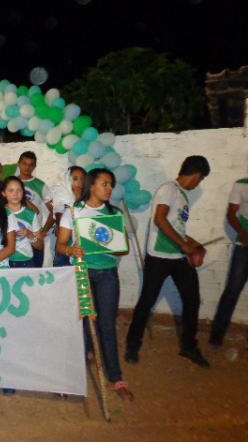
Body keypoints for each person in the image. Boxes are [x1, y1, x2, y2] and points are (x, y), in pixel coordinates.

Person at [126, 155, 211, 368]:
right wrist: (184, 245)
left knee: (192, 300)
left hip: (178, 258)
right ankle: (132, 345)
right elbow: (160, 219)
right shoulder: (168, 189)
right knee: (147, 302)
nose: (198, 184)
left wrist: (194, 244)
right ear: (196, 175)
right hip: (159, 257)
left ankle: (189, 346)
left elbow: (178, 229)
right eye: (200, 179)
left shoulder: (182, 195)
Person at [57, 168, 133, 399]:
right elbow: (60, 245)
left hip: (108, 274)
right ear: (92, 186)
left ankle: (116, 377)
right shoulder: (73, 212)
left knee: (106, 325)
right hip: (81, 273)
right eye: (105, 184)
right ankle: (72, 376)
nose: (109, 189)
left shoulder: (114, 214)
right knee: (79, 324)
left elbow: (124, 249)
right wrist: (71, 248)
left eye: (111, 184)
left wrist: (110, 243)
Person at [210, 177, 248, 347]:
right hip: (244, 246)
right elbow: (231, 213)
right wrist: (242, 233)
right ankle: (217, 334)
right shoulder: (241, 184)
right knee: (232, 290)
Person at [17, 151, 54, 267]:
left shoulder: (40, 185)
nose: (27, 167)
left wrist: (44, 231)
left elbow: (54, 210)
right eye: (24, 163)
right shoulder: (10, 183)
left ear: (35, 166)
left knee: (36, 271)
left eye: (31, 164)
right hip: (14, 233)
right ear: (18, 164)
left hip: (34, 233)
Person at [3, 176, 43, 268]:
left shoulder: (31, 214)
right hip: (2, 262)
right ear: (3, 193)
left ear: (23, 192)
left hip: (26, 263)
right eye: (11, 190)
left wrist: (29, 234)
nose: (15, 194)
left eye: (19, 190)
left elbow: (40, 246)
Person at [53, 166, 86, 267]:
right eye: (75, 179)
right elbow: (60, 224)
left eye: (83, 179)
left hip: (83, 251)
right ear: (67, 180)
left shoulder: (90, 201)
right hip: (65, 249)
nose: (79, 183)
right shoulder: (61, 198)